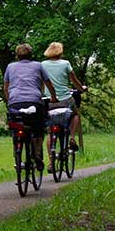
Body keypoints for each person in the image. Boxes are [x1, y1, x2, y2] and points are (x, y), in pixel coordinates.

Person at [4, 43, 58, 171]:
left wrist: (9, 101)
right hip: (34, 101)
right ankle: (37, 154)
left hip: (15, 102)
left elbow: (6, 87)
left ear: (17, 56)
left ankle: (17, 156)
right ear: (31, 54)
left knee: (16, 127)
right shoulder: (38, 66)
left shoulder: (10, 67)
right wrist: (54, 97)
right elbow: (48, 83)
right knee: (38, 128)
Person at [41, 42, 87, 170]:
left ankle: (51, 162)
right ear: (60, 52)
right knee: (75, 114)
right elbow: (74, 80)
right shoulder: (65, 64)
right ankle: (72, 137)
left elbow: (41, 83)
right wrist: (81, 89)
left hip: (49, 101)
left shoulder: (43, 65)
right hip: (65, 99)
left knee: (50, 131)